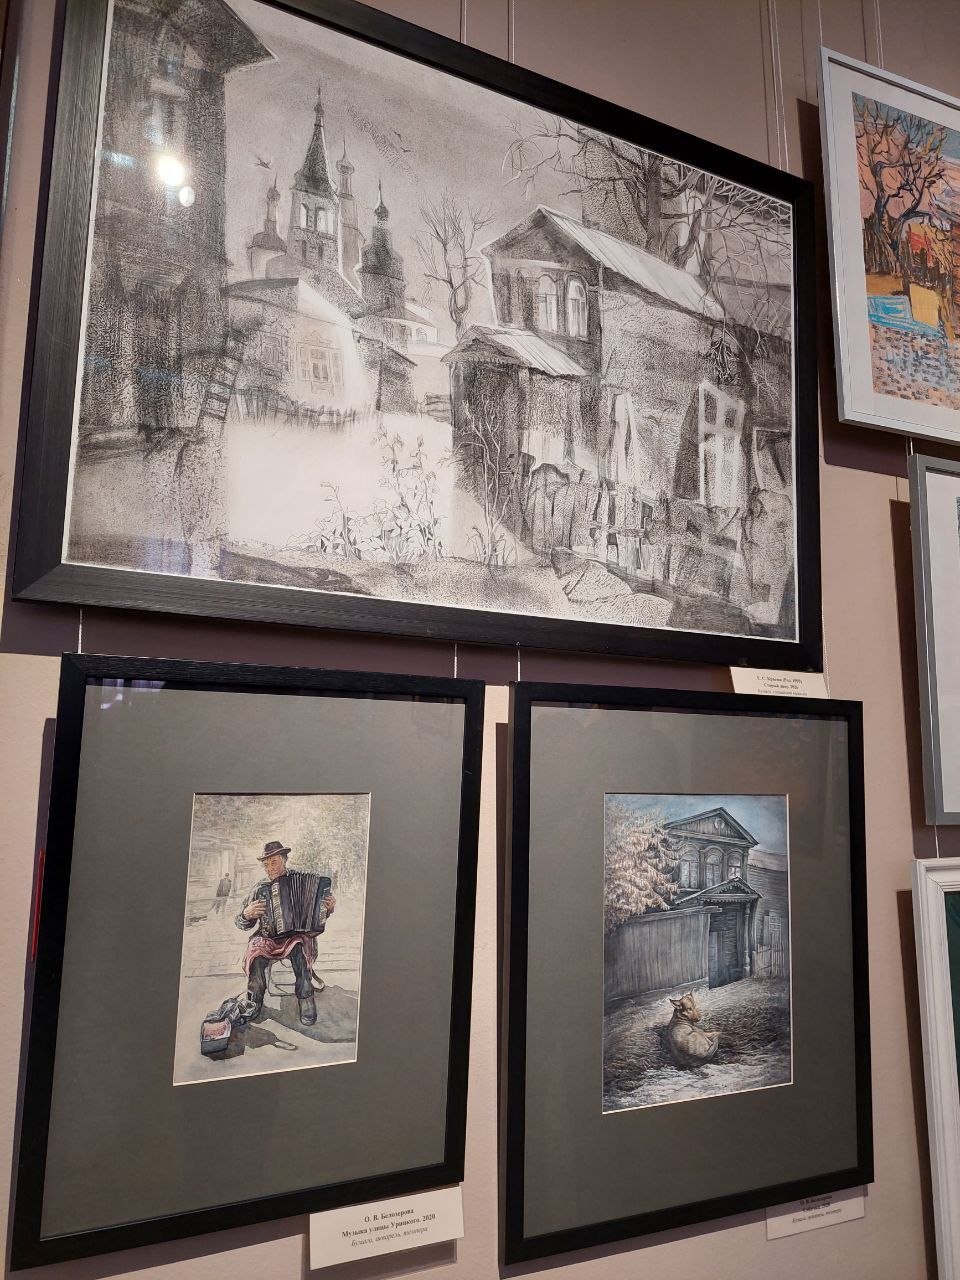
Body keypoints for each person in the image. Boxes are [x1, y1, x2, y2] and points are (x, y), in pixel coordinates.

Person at [235, 840, 336, 1027]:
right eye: (266, 864)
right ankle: (254, 1001)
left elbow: (316, 914)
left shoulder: (302, 879)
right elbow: (241, 924)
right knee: (256, 955)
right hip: (268, 938)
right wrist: (246, 914)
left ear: (284, 860)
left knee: (300, 949)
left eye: (274, 862)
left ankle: (306, 999)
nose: (269, 868)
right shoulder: (259, 888)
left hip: (295, 936)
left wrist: (328, 909)